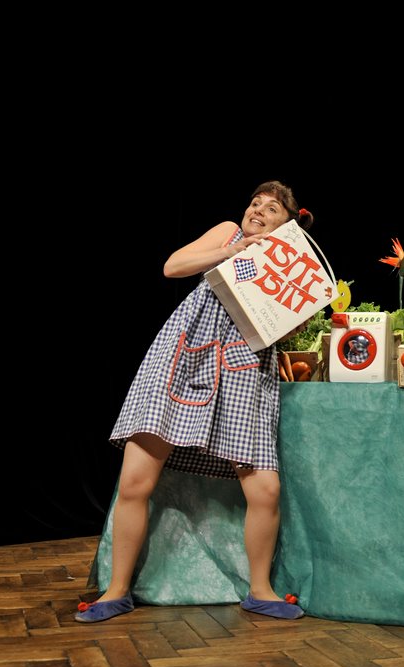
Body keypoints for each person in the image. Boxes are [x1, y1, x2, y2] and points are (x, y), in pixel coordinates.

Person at [76, 181, 314, 623]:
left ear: (288, 226)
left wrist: (293, 313)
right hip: (185, 359)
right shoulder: (228, 233)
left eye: (272, 209)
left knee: (265, 489)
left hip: (244, 371)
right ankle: (117, 590)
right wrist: (234, 250)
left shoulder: (290, 266)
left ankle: (260, 590)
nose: (258, 211)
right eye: (255, 203)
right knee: (135, 482)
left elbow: (286, 325)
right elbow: (173, 266)